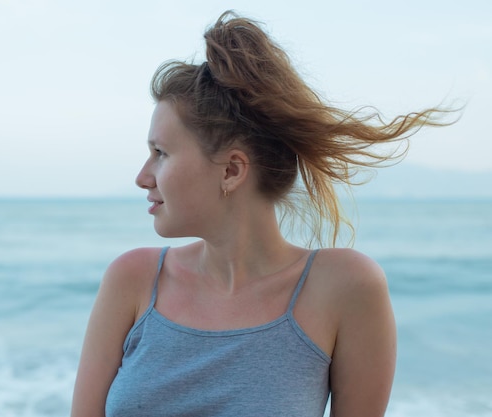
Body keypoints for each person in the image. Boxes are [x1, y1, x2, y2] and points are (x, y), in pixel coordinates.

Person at [71, 11, 455, 417]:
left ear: (232, 170)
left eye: (161, 154)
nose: (142, 177)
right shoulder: (132, 280)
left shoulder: (344, 287)